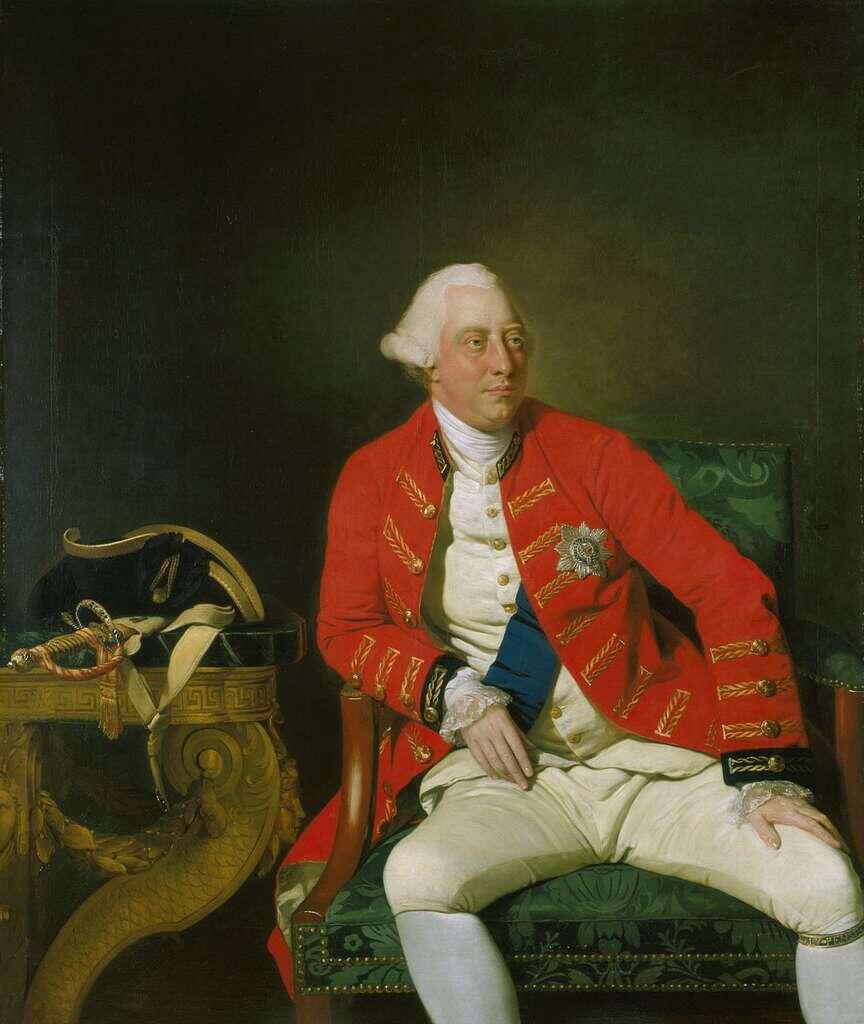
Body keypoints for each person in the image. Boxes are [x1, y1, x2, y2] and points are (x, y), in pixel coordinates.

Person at [285, 264, 864, 1023]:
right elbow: (346, 629)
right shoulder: (372, 477)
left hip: (658, 761)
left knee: (827, 887)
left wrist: (769, 774)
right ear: (427, 362)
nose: (504, 360)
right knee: (420, 876)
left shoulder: (594, 454)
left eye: (515, 339)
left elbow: (729, 590)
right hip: (509, 780)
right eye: (476, 343)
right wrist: (453, 692)